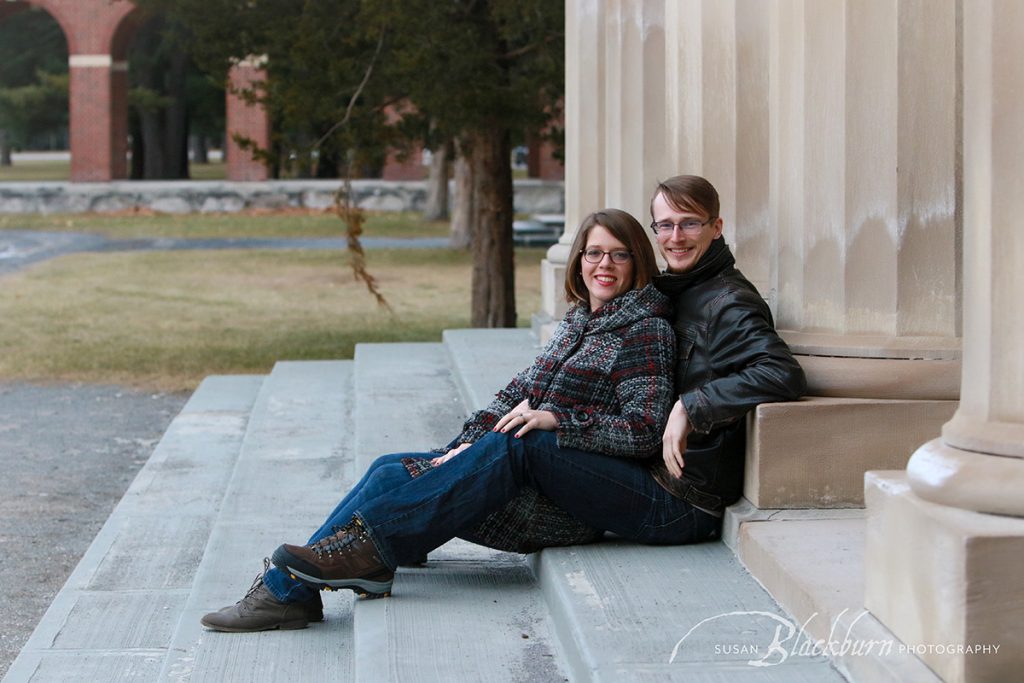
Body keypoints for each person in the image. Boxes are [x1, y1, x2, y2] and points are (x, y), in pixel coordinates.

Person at [201, 208, 694, 633]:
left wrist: (556, 419)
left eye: (618, 254)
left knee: (484, 451)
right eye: (593, 253)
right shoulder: (579, 321)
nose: (603, 265)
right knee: (390, 468)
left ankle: (331, 571)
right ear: (579, 261)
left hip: (569, 507)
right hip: (526, 474)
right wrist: (460, 448)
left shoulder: (645, 330)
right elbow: (513, 395)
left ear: (638, 263)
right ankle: (291, 591)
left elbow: (644, 430)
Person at [649, 174, 806, 516]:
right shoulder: (678, 289)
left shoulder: (729, 302)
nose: (675, 238)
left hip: (686, 492)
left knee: (524, 453)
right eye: (665, 225)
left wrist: (690, 407)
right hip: (651, 468)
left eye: (689, 223)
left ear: (716, 227)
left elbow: (781, 372)